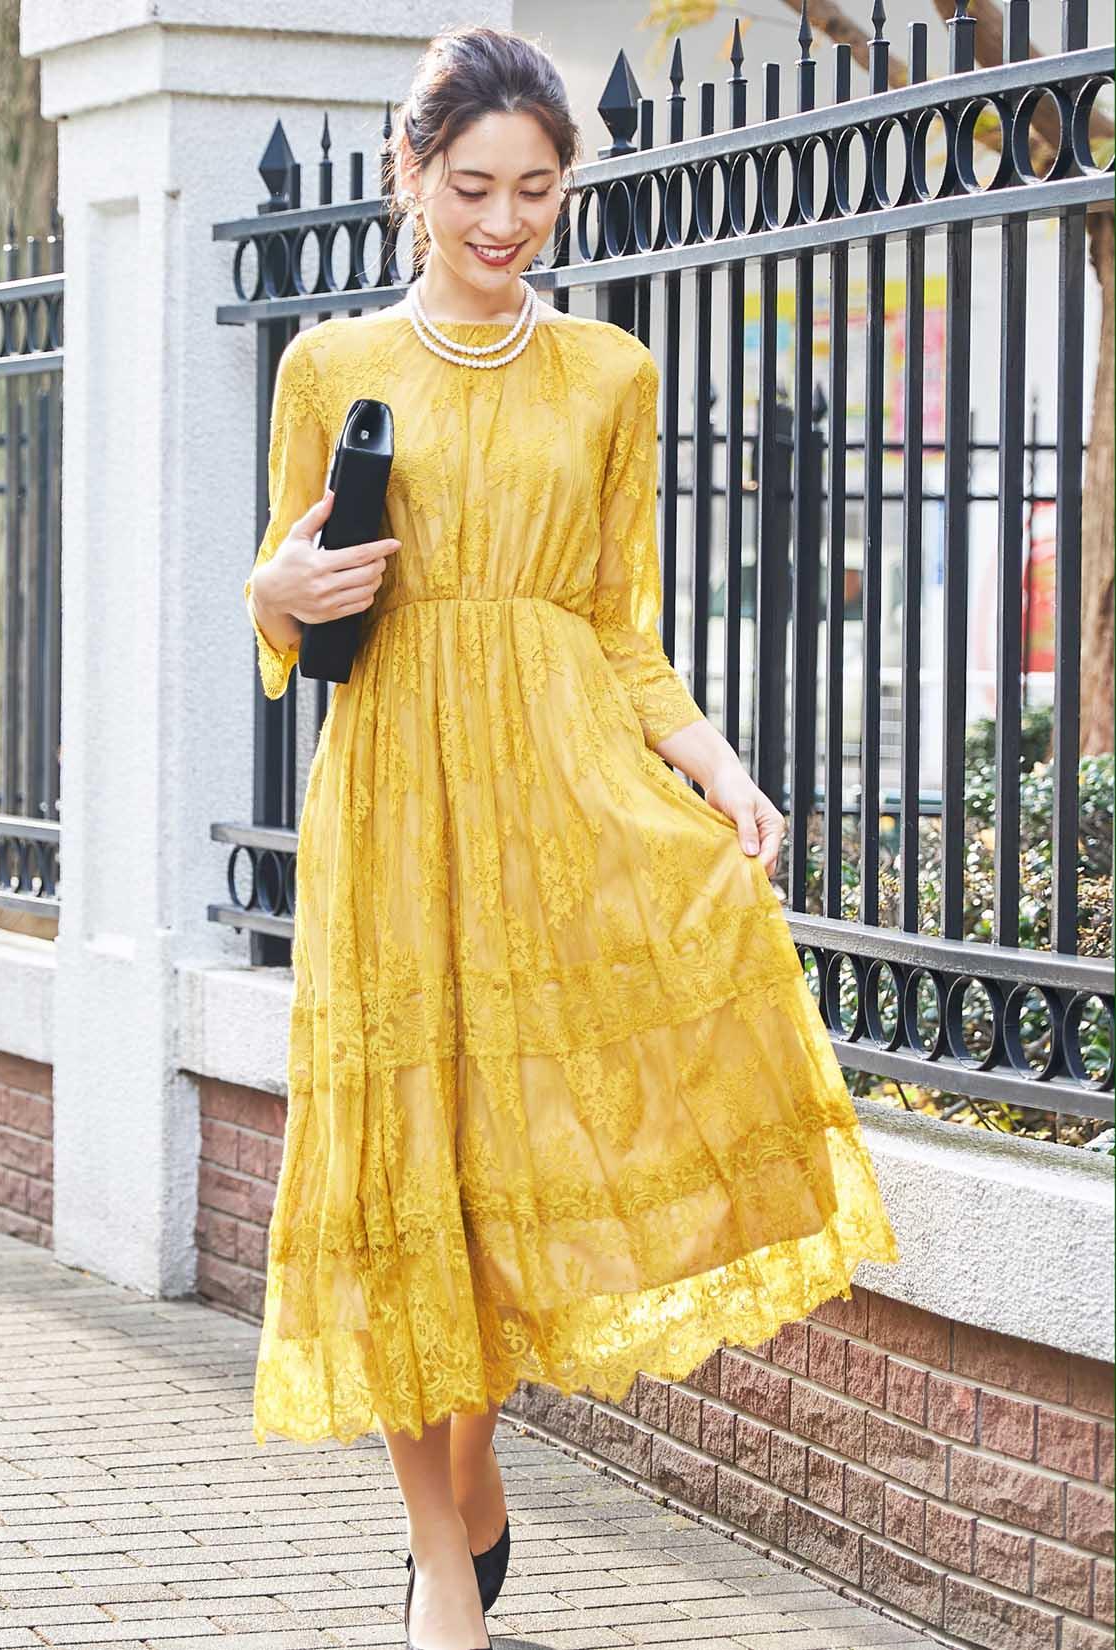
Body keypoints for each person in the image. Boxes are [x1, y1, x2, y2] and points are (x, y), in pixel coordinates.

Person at [243, 25, 899, 1650]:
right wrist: (273, 590)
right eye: (472, 185)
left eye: (535, 188)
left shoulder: (612, 372)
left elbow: (618, 623)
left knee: (509, 1170)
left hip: (555, 801)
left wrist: (719, 771)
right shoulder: (328, 364)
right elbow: (290, 605)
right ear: (409, 175)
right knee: (401, 1166)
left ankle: (469, 1479)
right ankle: (441, 1572)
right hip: (393, 803)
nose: (503, 219)